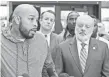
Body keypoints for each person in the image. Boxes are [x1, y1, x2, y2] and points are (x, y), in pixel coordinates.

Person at [1, 4, 58, 77]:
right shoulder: (2, 42)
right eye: (31, 19)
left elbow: (48, 68)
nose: (36, 24)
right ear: (17, 19)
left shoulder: (41, 39)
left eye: (36, 20)